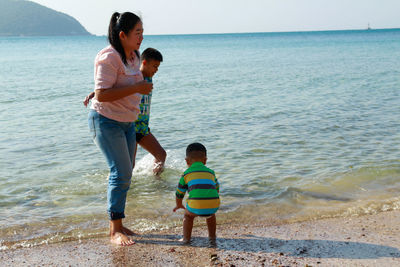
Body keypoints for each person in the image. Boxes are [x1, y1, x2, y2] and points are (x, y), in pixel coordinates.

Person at [87, 11, 152, 246]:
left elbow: (112, 84)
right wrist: (137, 88)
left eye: (143, 32)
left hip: (127, 122)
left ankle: (119, 222)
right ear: (122, 35)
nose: (141, 37)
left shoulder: (133, 55)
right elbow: (104, 94)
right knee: (120, 172)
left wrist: (98, 91)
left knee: (127, 170)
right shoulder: (108, 56)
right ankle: (114, 230)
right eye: (137, 33)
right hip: (106, 121)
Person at [84, 48, 167, 176]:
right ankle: (127, 190)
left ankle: (156, 184)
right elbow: (116, 87)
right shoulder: (134, 77)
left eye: (158, 67)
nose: (156, 70)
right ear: (143, 63)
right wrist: (94, 93)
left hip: (143, 128)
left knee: (161, 155)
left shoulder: (149, 79)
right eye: (154, 66)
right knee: (130, 165)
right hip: (131, 126)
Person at [173, 143, 220, 244]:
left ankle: (186, 239)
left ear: (187, 161)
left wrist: (179, 204)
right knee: (211, 215)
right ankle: (212, 237)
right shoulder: (211, 172)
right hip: (214, 205)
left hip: (196, 207)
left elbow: (179, 193)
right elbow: (217, 188)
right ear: (205, 160)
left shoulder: (186, 174)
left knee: (188, 216)